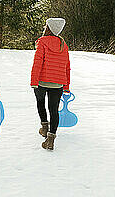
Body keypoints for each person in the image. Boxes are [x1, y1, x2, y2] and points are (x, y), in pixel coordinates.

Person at [30, 17, 70, 151]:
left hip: (41, 81)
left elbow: (37, 63)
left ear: (48, 28)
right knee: (54, 110)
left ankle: (44, 126)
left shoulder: (42, 42)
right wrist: (66, 86)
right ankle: (50, 139)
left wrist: (34, 81)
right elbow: (67, 67)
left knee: (40, 103)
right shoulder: (63, 45)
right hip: (58, 83)